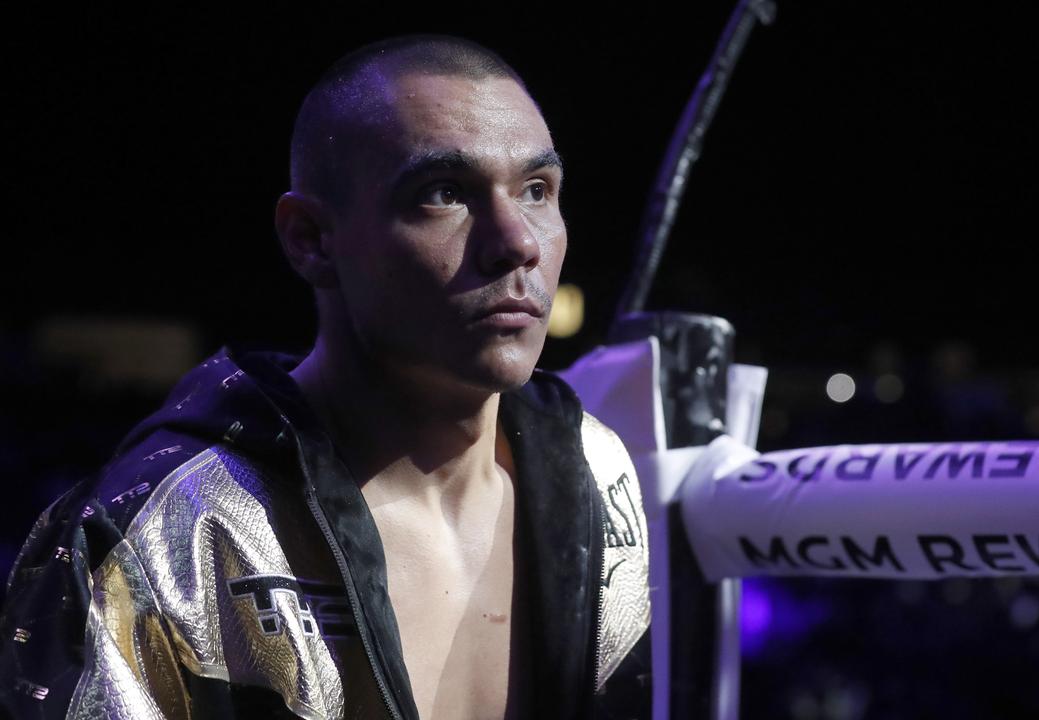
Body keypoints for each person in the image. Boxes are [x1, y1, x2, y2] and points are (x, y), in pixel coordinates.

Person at [0, 34, 652, 719]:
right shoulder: (169, 534)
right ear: (311, 238)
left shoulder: (600, 474)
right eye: (444, 192)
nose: (517, 240)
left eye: (537, 190)